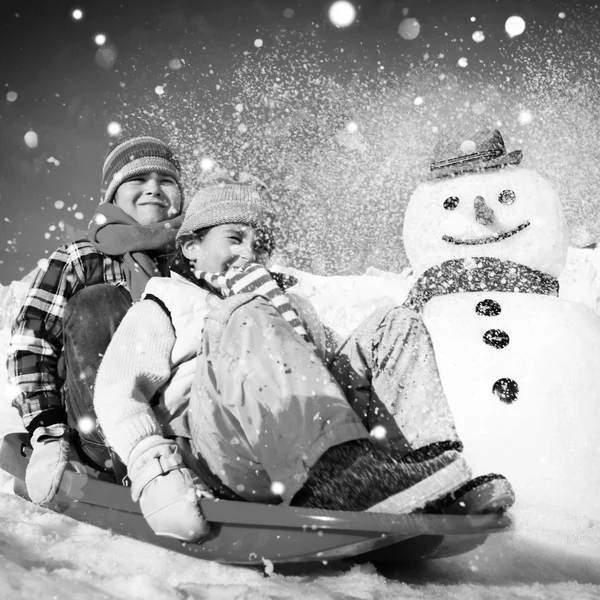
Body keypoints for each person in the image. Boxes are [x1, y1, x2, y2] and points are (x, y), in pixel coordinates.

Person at [93, 177, 514, 543]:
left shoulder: (288, 304)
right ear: (192, 247)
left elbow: (330, 376)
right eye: (234, 239)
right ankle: (338, 478)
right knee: (245, 311)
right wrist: (156, 472)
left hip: (295, 446)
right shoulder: (166, 302)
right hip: (219, 454)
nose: (249, 254)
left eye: (261, 245)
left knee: (392, 324)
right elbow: (116, 389)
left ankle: (428, 471)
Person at [6, 134, 185, 507]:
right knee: (100, 302)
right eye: (138, 180)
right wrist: (48, 431)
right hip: (99, 428)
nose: (154, 189)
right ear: (113, 195)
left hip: (180, 423)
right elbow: (32, 341)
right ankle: (114, 455)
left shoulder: (192, 259)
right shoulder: (80, 257)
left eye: (166, 181)